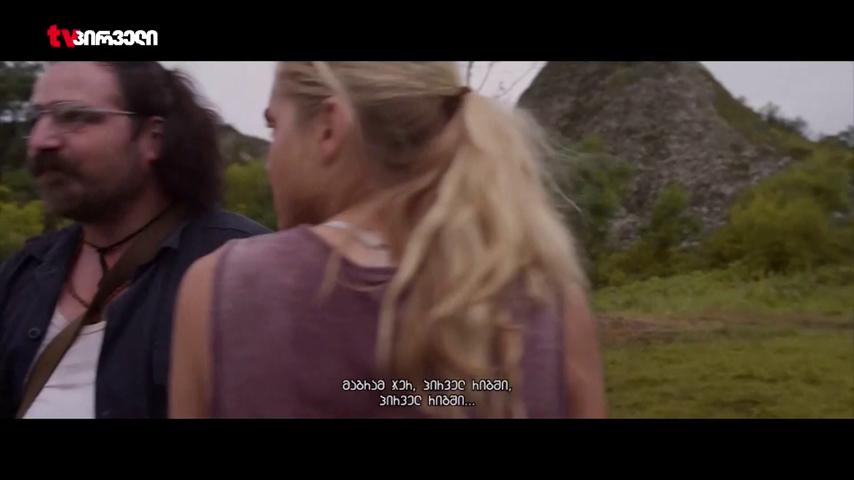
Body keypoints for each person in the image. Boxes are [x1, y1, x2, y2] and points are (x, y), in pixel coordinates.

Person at [169, 62, 606, 418]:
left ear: (328, 127)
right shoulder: (550, 300)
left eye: (274, 128)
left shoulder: (220, 289)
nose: (270, 161)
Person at [0, 62, 270, 419]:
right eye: (38, 118)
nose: (40, 141)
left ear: (152, 138)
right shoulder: (23, 274)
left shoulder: (243, 268)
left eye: (74, 116)